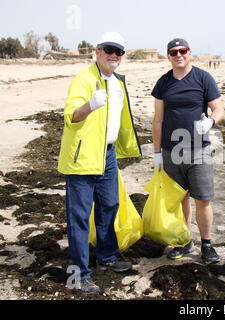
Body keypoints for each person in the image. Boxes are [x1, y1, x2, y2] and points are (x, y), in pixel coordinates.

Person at [58, 32, 142, 294]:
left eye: (119, 51)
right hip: (82, 157)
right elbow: (71, 116)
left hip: (107, 155)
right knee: (79, 217)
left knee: (109, 205)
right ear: (97, 51)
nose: (114, 55)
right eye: (109, 49)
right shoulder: (84, 80)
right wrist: (90, 105)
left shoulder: (117, 82)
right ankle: (80, 274)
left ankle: (107, 257)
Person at [151, 38, 225, 264]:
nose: (178, 55)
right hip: (171, 151)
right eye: (173, 52)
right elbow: (157, 119)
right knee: (179, 198)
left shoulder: (203, 78)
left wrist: (210, 122)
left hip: (199, 150)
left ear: (190, 53)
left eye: (182, 51)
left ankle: (206, 244)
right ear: (168, 57)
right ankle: (184, 241)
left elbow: (219, 109)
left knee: (202, 199)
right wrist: (156, 153)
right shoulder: (163, 83)